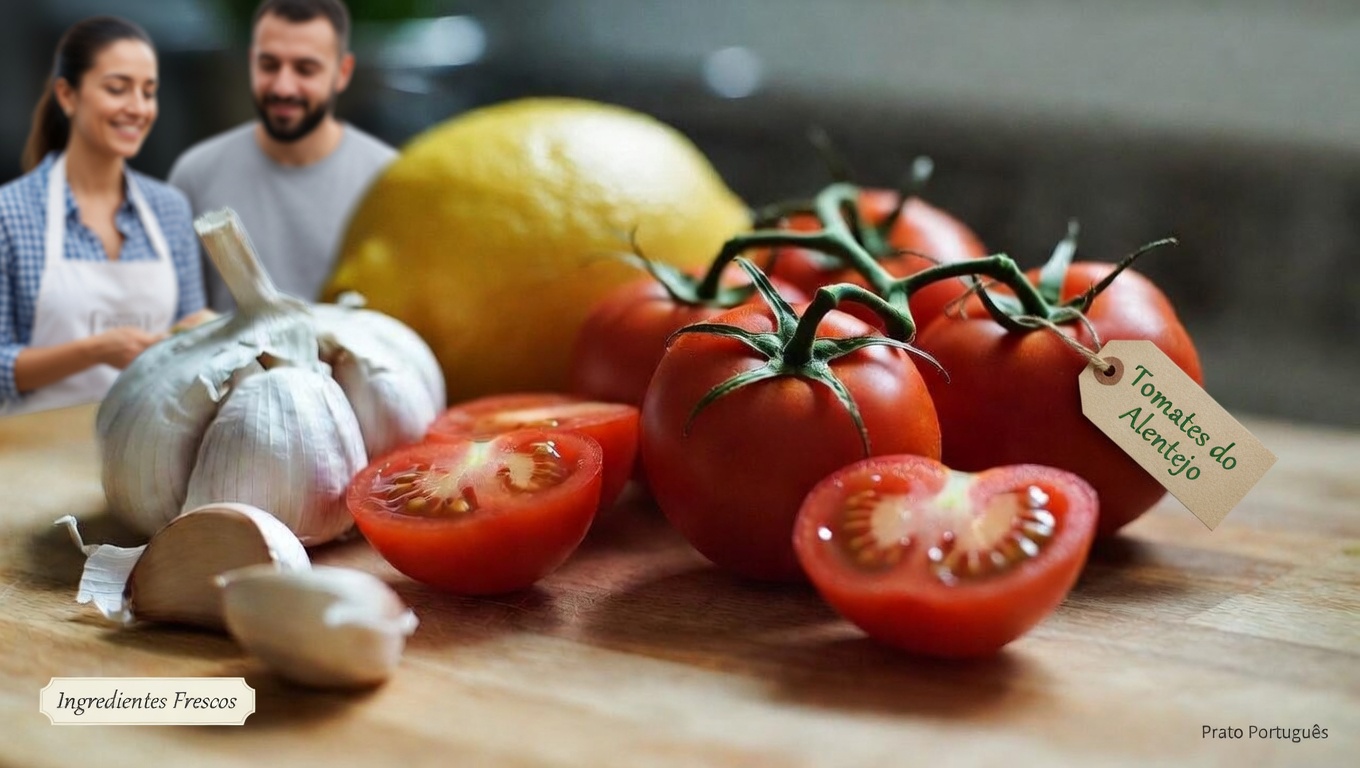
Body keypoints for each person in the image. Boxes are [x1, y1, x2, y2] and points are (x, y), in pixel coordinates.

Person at [0, 17, 210, 417]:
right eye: (117, 89)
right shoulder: (10, 213)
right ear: (67, 96)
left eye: (148, 92)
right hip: (35, 446)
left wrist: (208, 332)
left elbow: (192, 348)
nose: (138, 108)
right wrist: (95, 350)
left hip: (149, 441)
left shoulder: (170, 209)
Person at [168, 0, 396, 312]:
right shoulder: (196, 173)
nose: (284, 87)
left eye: (306, 69)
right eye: (269, 65)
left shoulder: (386, 178)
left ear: (342, 72)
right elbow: (179, 317)